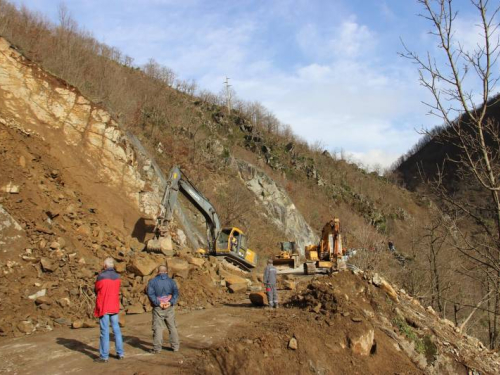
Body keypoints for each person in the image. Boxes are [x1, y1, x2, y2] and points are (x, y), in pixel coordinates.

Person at [94, 257, 124, 363]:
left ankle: (104, 356)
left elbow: (96, 289)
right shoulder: (118, 276)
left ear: (105, 266)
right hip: (114, 306)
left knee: (104, 331)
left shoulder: (101, 276)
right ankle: (120, 353)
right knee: (116, 330)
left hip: (104, 306)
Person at [147, 265, 180, 353]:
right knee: (172, 327)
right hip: (169, 307)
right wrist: (170, 302)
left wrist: (159, 303)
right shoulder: (172, 281)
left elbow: (150, 294)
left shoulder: (152, 282)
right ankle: (175, 347)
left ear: (158, 271)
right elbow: (176, 293)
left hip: (158, 307)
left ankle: (157, 349)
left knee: (158, 328)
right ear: (166, 272)